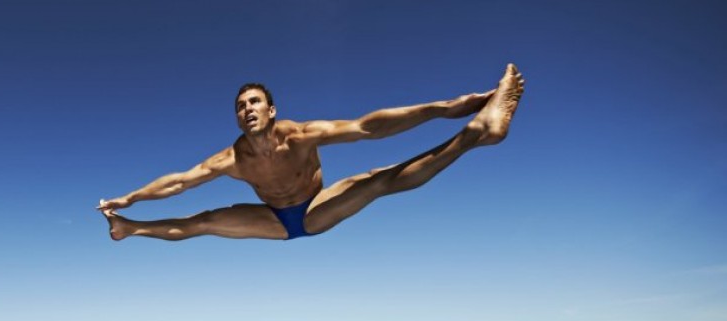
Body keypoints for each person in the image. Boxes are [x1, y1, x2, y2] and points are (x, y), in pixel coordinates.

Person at [98, 64, 524, 241]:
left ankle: (477, 132)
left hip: (317, 206)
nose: (247, 109)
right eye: (240, 106)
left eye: (254, 102)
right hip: (274, 221)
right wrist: (129, 200)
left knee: (379, 179)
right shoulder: (231, 159)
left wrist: (447, 108)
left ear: (272, 109)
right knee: (203, 221)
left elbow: (368, 126)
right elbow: (177, 181)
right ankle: (129, 229)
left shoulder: (300, 135)